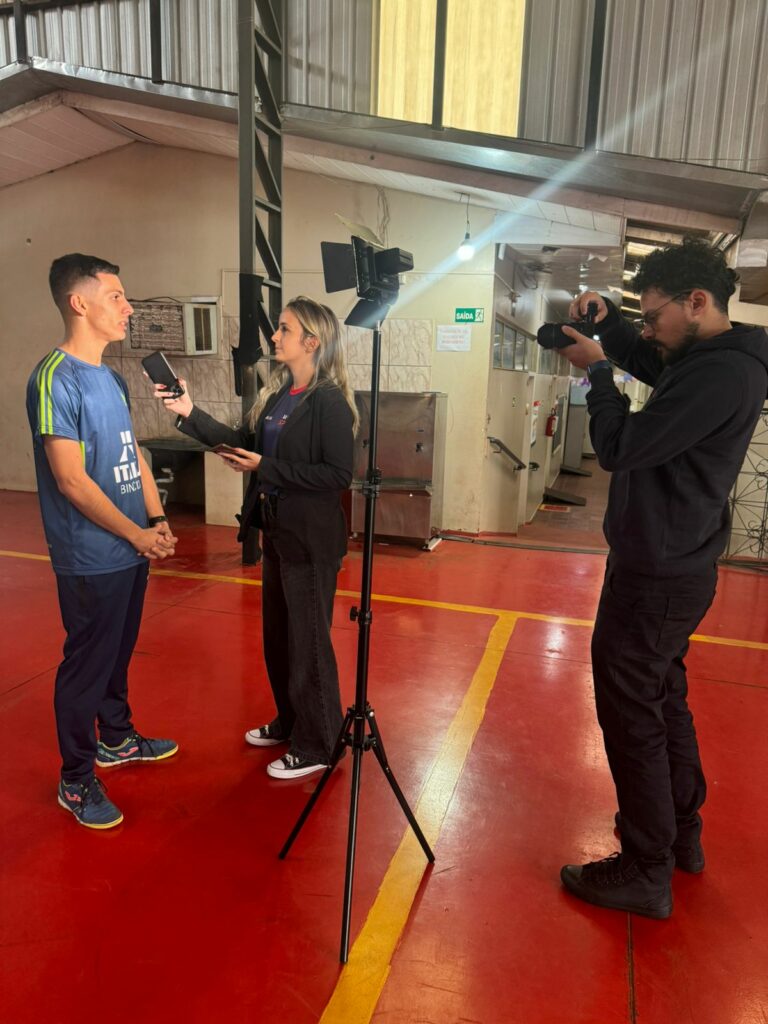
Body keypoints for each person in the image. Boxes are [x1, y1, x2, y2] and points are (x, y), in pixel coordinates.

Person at [556, 238, 768, 918]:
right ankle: (680, 836)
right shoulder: (712, 357)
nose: (646, 329)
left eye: (651, 315)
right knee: (662, 701)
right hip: (675, 562)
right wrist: (611, 328)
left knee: (632, 715)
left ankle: (647, 866)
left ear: (697, 303)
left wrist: (595, 375)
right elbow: (654, 363)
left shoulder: (722, 375)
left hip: (657, 573)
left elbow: (622, 447)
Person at [157, 296, 357, 780]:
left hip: (311, 541)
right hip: (278, 533)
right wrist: (189, 412)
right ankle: (292, 721)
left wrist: (266, 467)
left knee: (309, 643)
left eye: (284, 330)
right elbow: (242, 442)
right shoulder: (280, 395)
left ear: (312, 341)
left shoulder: (327, 400)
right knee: (279, 640)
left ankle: (320, 743)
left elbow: (336, 475)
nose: (274, 337)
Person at [26, 254, 179, 830]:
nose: (129, 307)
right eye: (116, 296)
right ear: (79, 303)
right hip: (90, 556)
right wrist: (134, 532)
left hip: (130, 547)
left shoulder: (111, 377)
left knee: (117, 654)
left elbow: (130, 453)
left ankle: (116, 737)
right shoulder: (53, 378)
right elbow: (70, 478)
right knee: (86, 665)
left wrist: (156, 518)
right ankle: (75, 777)